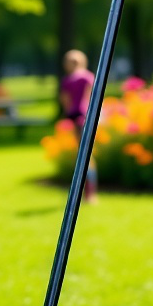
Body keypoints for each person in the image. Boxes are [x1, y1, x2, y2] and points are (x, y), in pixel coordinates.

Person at [60, 49, 97, 202]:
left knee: (83, 156)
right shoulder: (88, 77)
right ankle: (89, 193)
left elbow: (65, 100)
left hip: (77, 117)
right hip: (87, 116)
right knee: (87, 156)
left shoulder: (68, 80)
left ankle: (88, 194)